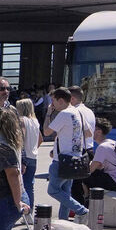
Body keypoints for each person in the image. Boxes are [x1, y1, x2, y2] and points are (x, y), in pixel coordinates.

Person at [42, 87, 92, 221]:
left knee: (53, 190)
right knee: (65, 192)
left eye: (53, 101)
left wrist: (48, 114)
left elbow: (46, 132)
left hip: (62, 160)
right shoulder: (78, 112)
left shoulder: (64, 114)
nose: (52, 104)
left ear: (61, 100)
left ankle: (82, 210)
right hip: (75, 159)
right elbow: (89, 133)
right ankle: (63, 221)